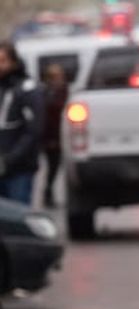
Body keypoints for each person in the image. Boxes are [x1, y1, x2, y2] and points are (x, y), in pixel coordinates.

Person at [0, 40, 45, 206]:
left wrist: (10, 159)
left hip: (20, 169)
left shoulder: (26, 89)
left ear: (13, 62)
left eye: (2, 61)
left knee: (18, 215)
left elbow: (33, 130)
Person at [40, 63, 68, 208]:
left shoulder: (63, 91)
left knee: (56, 168)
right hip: (52, 137)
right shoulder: (47, 93)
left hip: (64, 135)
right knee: (52, 167)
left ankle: (49, 193)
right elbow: (47, 118)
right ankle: (47, 193)